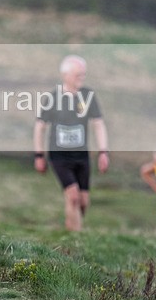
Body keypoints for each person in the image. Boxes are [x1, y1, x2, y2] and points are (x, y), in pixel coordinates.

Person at [33, 55, 109, 231]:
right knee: (73, 196)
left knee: (83, 201)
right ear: (65, 75)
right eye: (78, 75)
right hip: (59, 156)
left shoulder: (88, 96)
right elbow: (40, 127)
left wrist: (103, 152)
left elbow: (98, 124)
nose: (81, 78)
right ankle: (74, 237)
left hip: (81, 156)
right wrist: (39, 155)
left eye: (83, 74)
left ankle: (74, 229)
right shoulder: (53, 98)